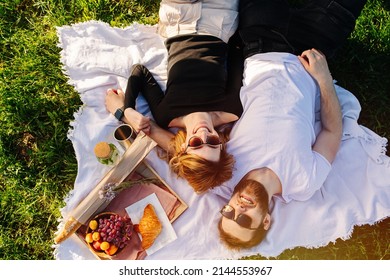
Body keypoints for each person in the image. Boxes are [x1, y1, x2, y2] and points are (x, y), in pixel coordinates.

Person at [218, 0, 367, 250]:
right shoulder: (303, 184)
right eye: (244, 220)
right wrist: (323, 77)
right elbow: (333, 131)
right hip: (312, 49)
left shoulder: (224, 171)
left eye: (229, 213)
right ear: (265, 221)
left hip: (261, 43)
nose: (238, 209)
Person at [105, 0, 244, 194]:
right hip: (218, 21)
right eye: (212, 142)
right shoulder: (232, 110)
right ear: (220, 143)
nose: (203, 135)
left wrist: (128, 109)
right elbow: (238, 53)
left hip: (178, 22)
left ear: (185, 146)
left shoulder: (167, 116)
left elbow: (140, 72)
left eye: (196, 144)